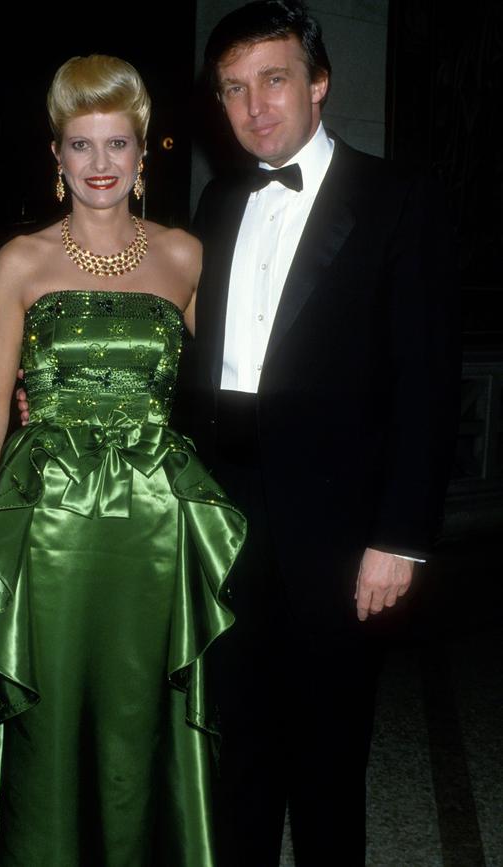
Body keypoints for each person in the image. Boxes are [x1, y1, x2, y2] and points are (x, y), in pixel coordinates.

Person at [0, 54, 245, 867]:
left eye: (118, 145)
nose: (100, 165)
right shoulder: (21, 261)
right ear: (56, 155)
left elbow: (231, 391)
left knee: (140, 716)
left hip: (156, 527)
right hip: (47, 530)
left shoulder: (187, 257)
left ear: (146, 154)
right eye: (82, 145)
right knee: (48, 718)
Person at [177, 2, 461, 865]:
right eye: (233, 87)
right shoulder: (220, 200)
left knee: (331, 753)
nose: (255, 105)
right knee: (240, 743)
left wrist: (400, 537)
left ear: (319, 83)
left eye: (274, 78)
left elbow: (427, 381)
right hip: (226, 510)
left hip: (341, 524)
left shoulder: (396, 199)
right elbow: (192, 360)